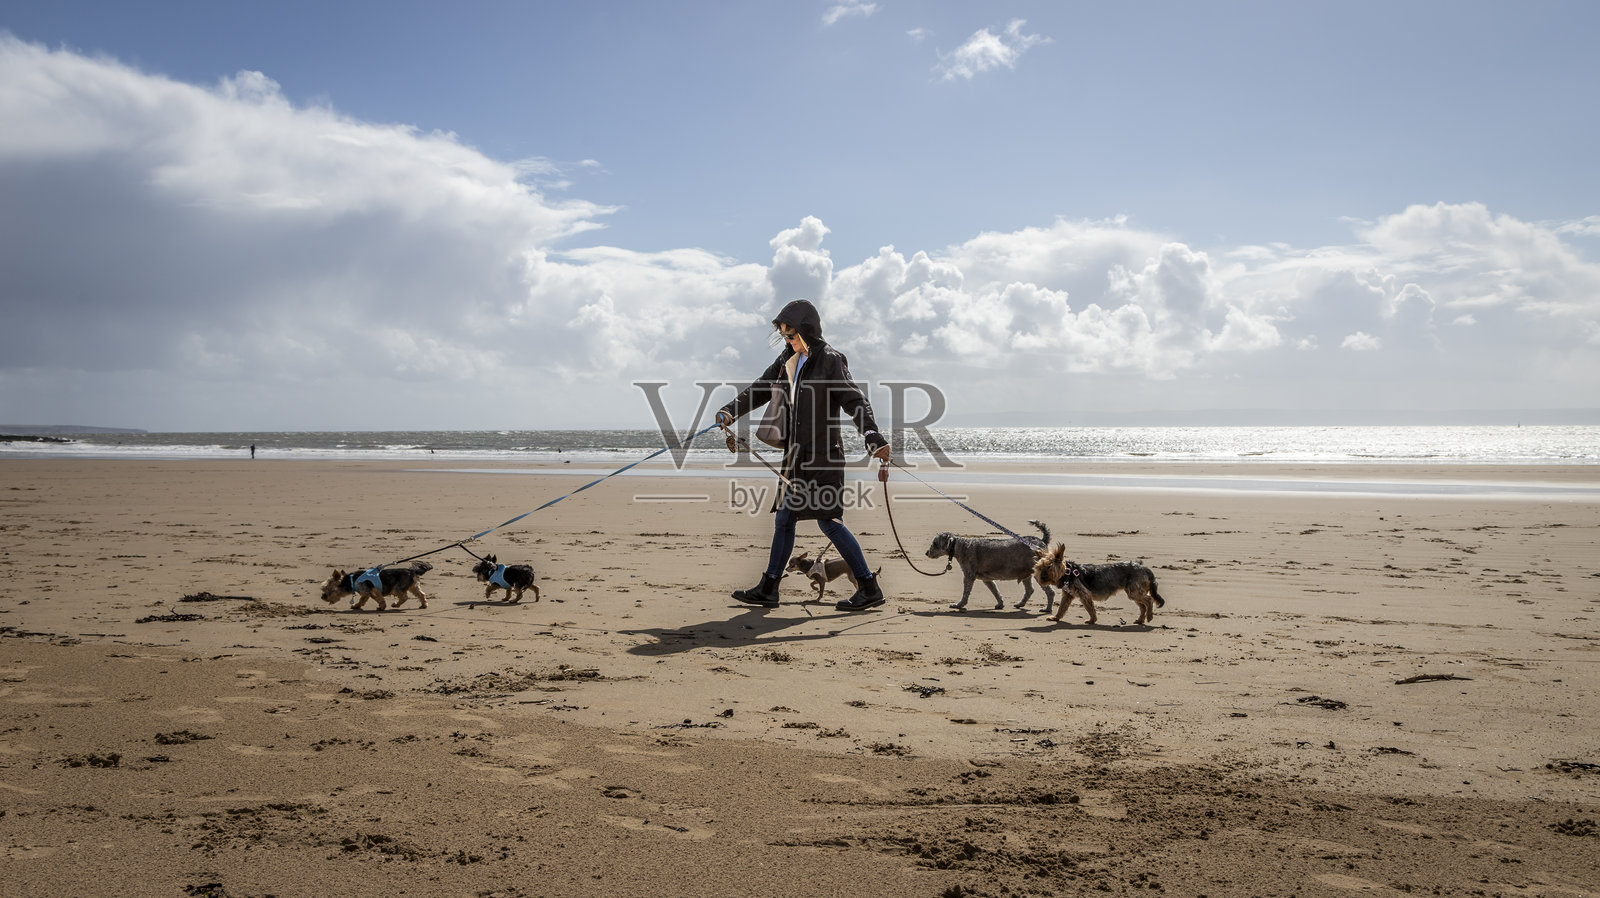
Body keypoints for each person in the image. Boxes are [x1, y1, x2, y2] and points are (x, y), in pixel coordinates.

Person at [715, 299, 891, 612]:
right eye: (784, 335)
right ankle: (769, 588)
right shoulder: (787, 359)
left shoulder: (831, 360)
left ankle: (867, 585)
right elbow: (759, 389)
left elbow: (855, 401)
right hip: (795, 457)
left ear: (808, 331)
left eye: (792, 334)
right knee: (784, 519)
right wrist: (730, 411)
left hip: (823, 458)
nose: (787, 340)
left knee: (829, 522)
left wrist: (871, 435)